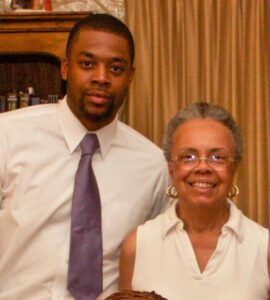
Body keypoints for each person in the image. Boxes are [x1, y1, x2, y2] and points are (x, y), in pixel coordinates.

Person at [0, 14, 170, 299]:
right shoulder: (8, 136)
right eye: (87, 64)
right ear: (65, 68)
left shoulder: (152, 165)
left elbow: (164, 259)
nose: (101, 78)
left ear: (131, 76)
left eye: (116, 68)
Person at [119, 102, 270, 300]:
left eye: (217, 157)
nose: (202, 167)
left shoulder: (263, 247)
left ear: (235, 169)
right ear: (171, 168)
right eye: (188, 157)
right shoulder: (138, 246)